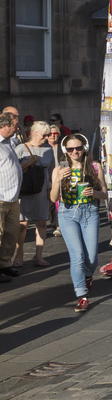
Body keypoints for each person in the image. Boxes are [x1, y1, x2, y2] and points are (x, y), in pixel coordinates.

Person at [51, 132, 107, 312]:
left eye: (78, 148)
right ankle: (81, 296)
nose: (75, 152)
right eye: (70, 149)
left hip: (89, 212)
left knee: (91, 258)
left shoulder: (94, 166)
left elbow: (104, 193)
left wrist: (94, 193)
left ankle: (88, 276)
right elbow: (53, 198)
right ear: (65, 151)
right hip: (67, 214)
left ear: (85, 148)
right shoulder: (59, 168)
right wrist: (59, 180)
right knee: (77, 256)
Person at [16, 121, 54, 267]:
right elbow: (14, 170)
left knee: (42, 222)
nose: (46, 138)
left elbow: (51, 171)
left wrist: (52, 190)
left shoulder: (49, 149)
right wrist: (28, 162)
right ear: (34, 133)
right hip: (24, 190)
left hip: (41, 190)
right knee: (22, 224)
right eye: (44, 135)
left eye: (48, 135)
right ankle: (19, 255)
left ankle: (38, 256)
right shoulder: (20, 149)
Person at [0, 113, 24, 281]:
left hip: (13, 197)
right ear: (4, 126)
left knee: (11, 233)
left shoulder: (9, 142)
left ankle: (5, 264)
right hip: (0, 197)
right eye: (15, 125)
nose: (17, 129)